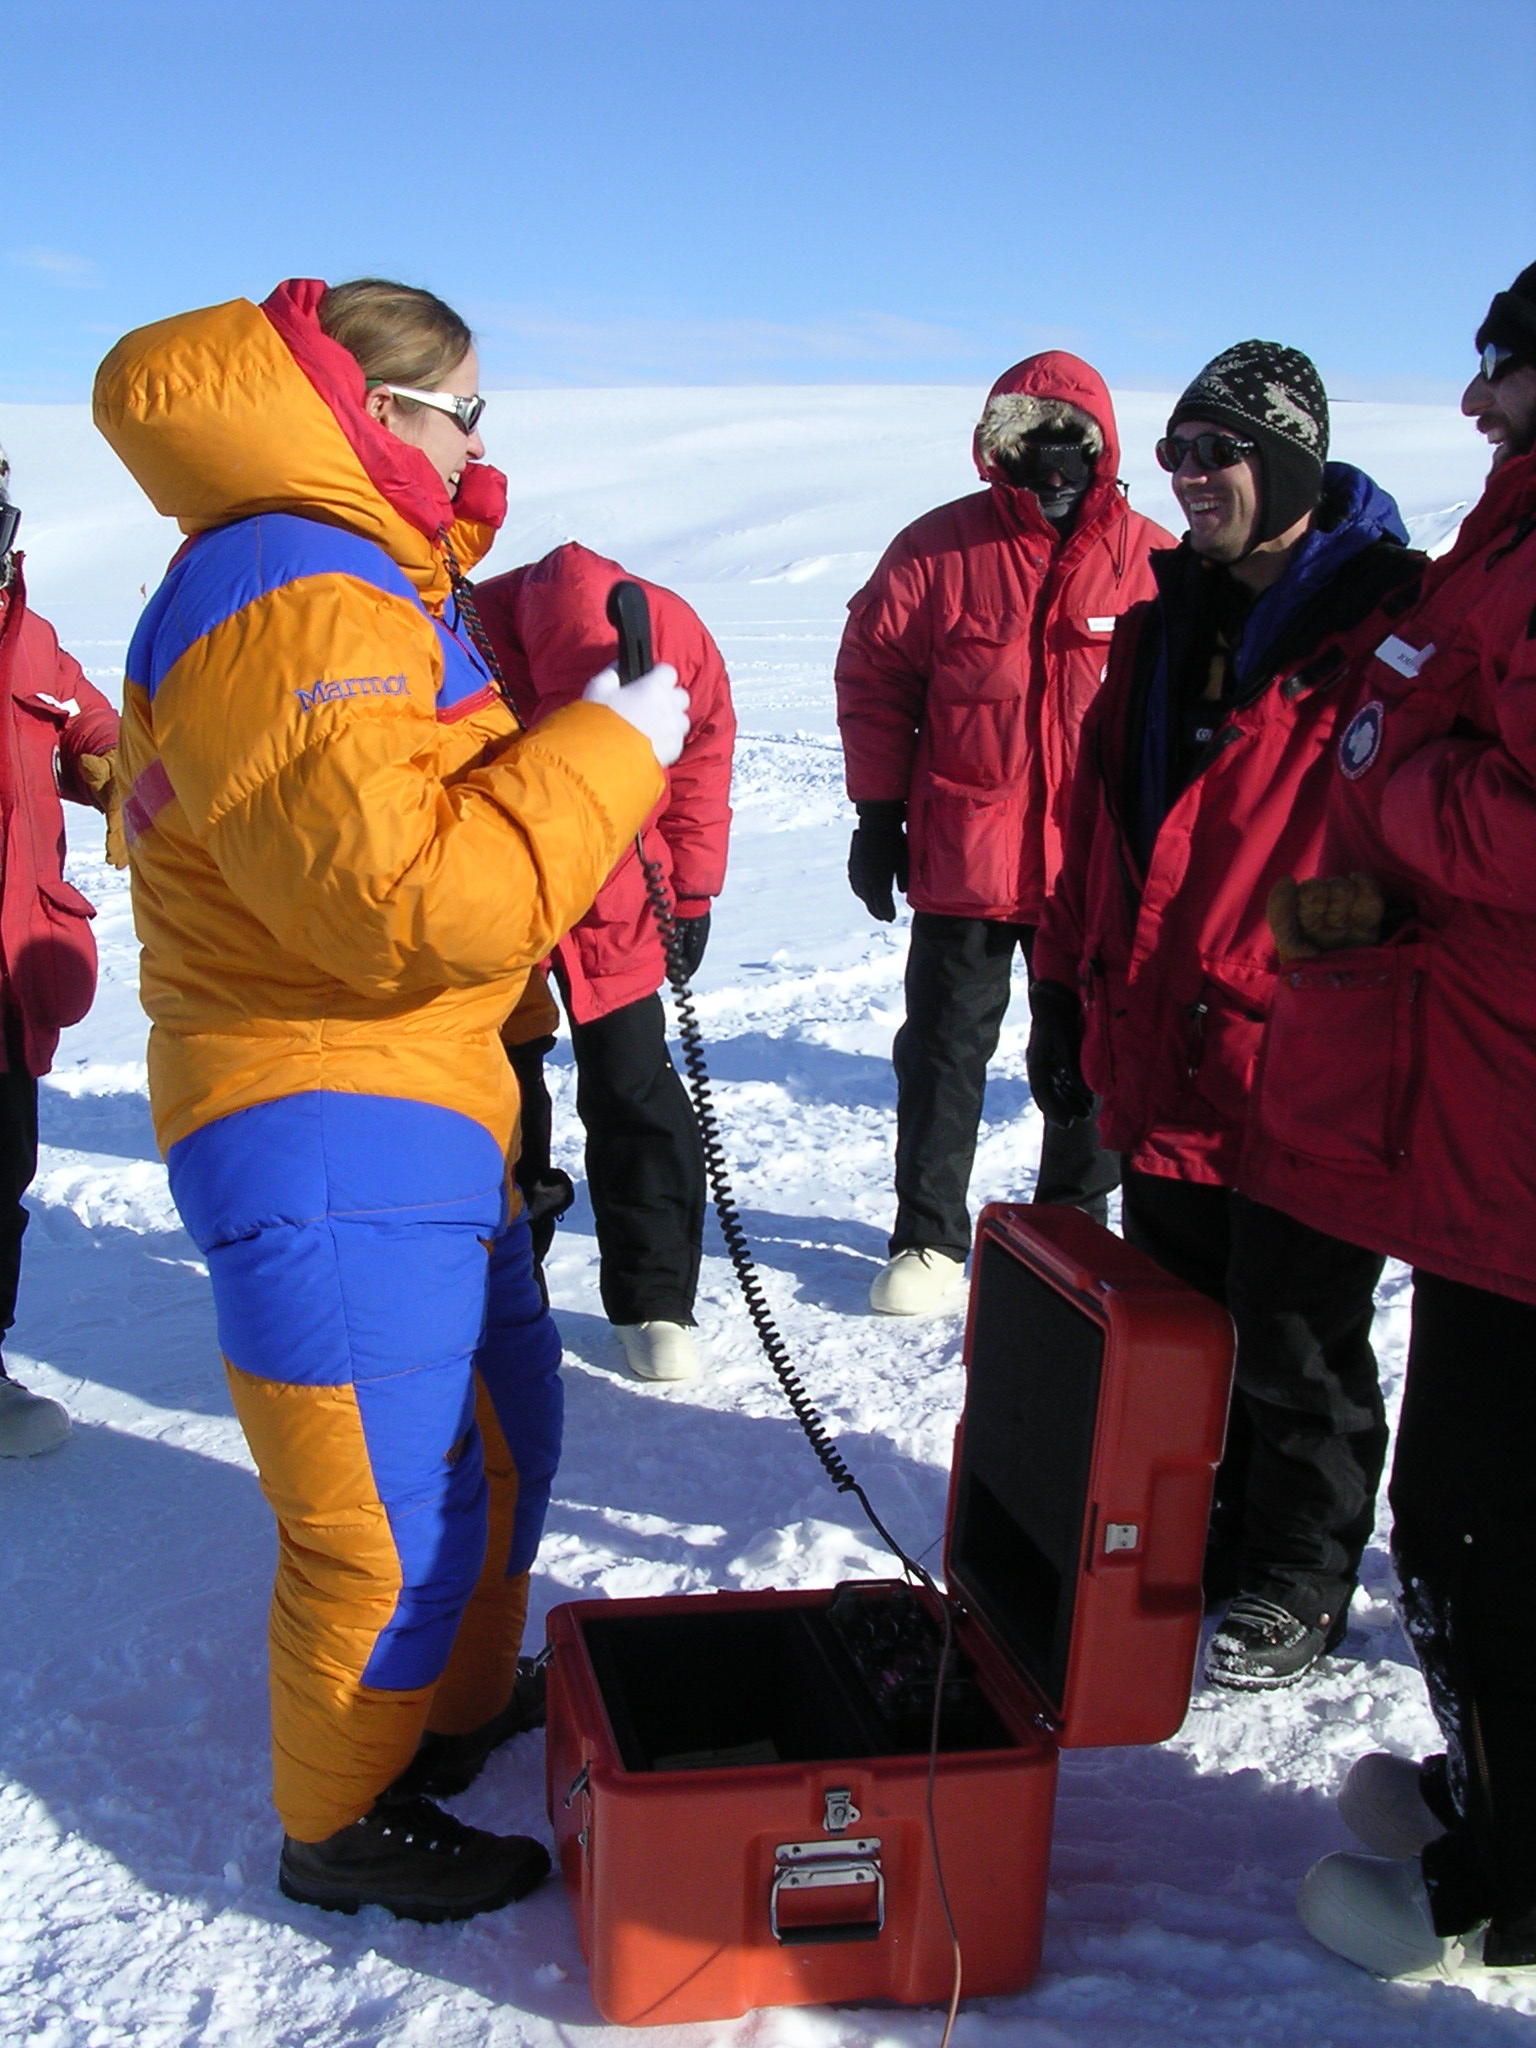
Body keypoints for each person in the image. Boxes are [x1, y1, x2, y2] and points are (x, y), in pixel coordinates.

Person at [94, 277, 688, 1921]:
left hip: (422, 1099)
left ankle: (447, 1706)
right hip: (323, 1101)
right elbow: (395, 907)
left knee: (500, 1435)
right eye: (467, 412)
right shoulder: (291, 587)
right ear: (376, 408)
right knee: (385, 1512)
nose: (485, 446)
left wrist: (569, 729)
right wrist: (613, 756)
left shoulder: (361, 580)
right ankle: (339, 1819)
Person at [1029, 342, 1422, 1691]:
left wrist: (1317, 984)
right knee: (1188, 1320)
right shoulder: (1159, 628)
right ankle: (1206, 1533)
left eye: (1220, 453)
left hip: (1306, 1044)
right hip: (1164, 1031)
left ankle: (1299, 1570)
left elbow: (1393, 853)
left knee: (1299, 1331)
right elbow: (1100, 833)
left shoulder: (1383, 628)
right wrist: (1062, 988)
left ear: (1296, 461)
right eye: (1177, 455)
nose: (1189, 480)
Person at [1235, 266, 1536, 1978]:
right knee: (1482, 1499)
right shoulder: (1503, 535)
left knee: (1482, 1513)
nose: (1477, 396)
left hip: (1517, 1122)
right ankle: (1494, 1780)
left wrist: (1395, 784)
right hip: (1482, 1097)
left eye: (1504, 366)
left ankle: (1510, 1881)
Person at [835, 351, 1174, 1315]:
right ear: (999, 450)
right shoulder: (937, 551)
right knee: (943, 1049)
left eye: (1073, 442)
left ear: (1103, 450)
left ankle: (1074, 1221)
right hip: (963, 858)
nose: (1054, 462)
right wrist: (877, 813)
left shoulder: (1153, 561)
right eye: (1031, 442)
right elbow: (874, 679)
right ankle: (928, 1237)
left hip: (1095, 870)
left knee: (1092, 1050)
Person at [476, 544, 735, 1383]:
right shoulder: (459, 634)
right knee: (499, 1094)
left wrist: (689, 894)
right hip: (494, 892)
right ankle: (507, 1290)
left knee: (632, 1084)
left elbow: (698, 764)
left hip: (621, 885)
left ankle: (655, 1298)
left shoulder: (672, 635)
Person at [0, 445, 121, 1455]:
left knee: (3, 1172)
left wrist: (123, 775)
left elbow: (88, 729)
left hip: (12, 970)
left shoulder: (29, 641)